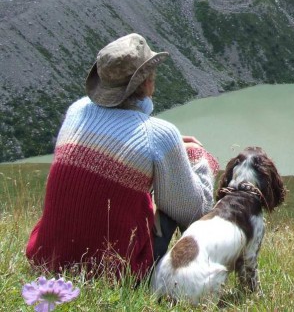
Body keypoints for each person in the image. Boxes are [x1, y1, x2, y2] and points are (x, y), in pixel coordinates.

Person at [26, 33, 219, 278]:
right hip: (115, 273)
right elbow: (194, 210)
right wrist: (199, 159)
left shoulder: (76, 110)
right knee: (176, 199)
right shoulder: (159, 135)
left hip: (47, 259)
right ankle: (193, 274)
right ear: (146, 82)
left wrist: (169, 149)